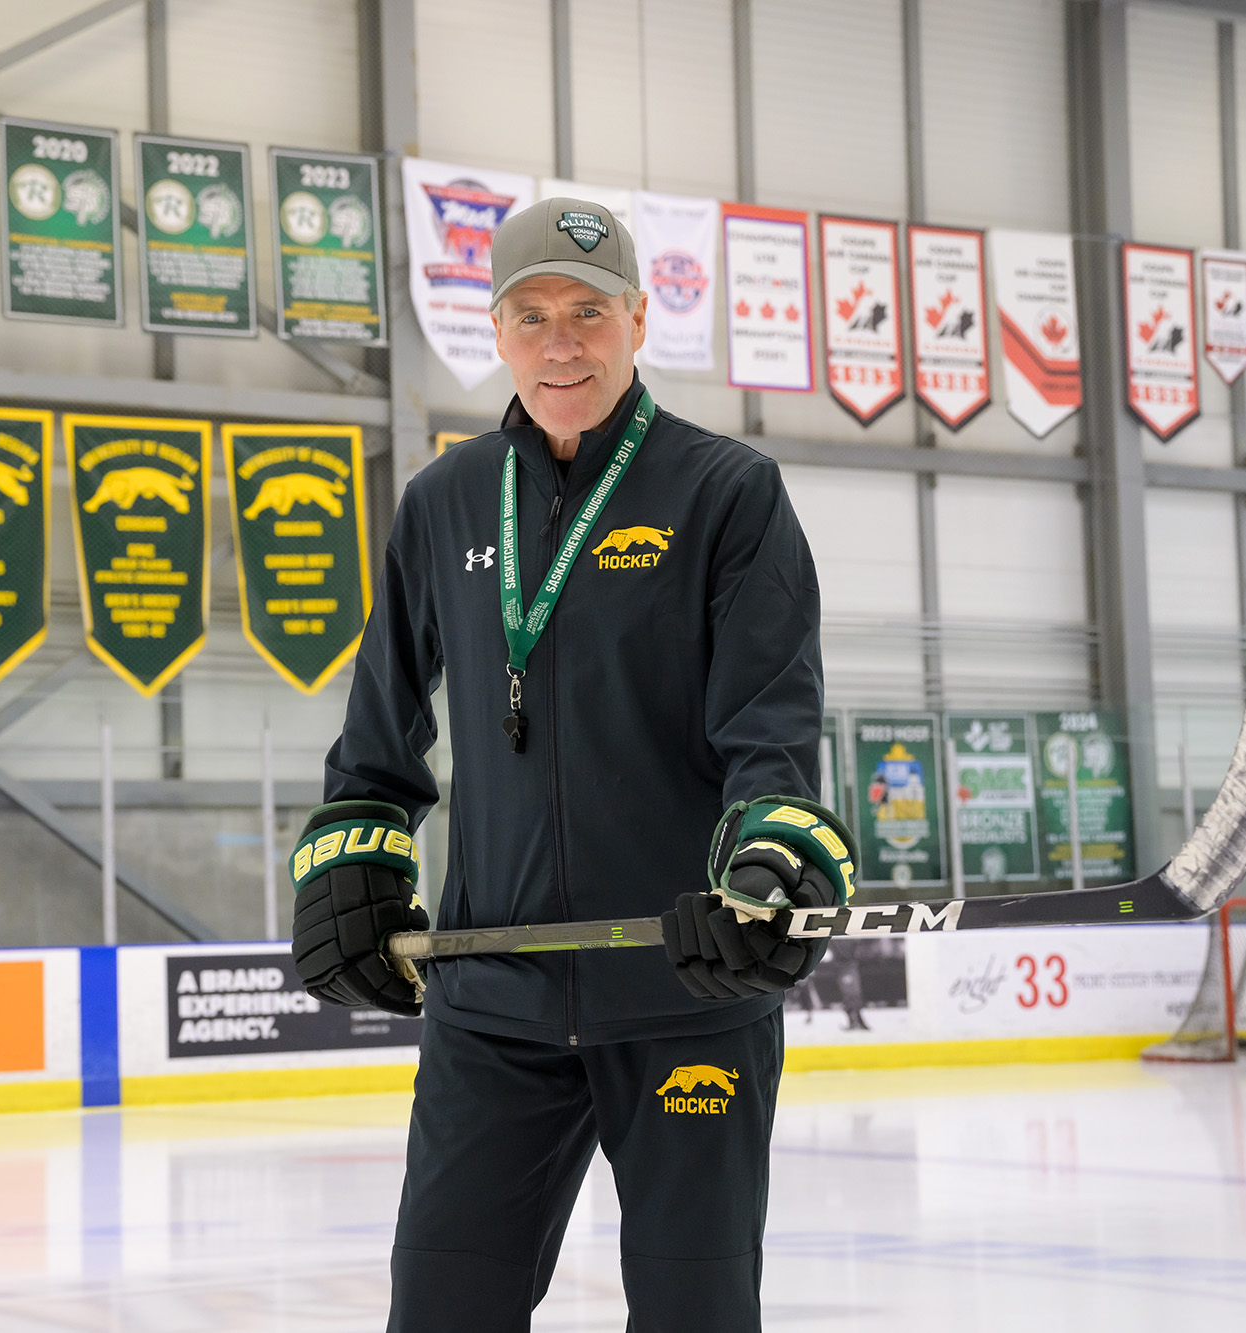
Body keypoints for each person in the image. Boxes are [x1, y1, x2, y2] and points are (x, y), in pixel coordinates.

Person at [289, 197, 857, 1332]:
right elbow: (375, 739)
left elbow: (769, 733)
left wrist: (765, 872)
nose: (562, 343)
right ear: (494, 331)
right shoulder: (441, 502)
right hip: (490, 1004)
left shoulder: (723, 495)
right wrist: (349, 859)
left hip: (684, 993)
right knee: (443, 1309)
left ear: (638, 320)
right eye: (533, 313)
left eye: (588, 313)